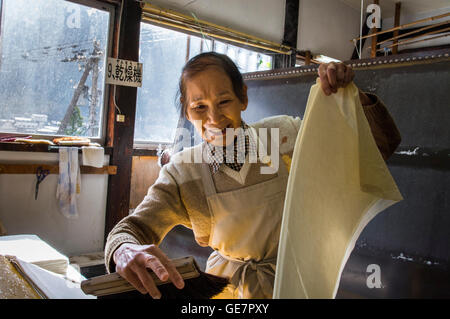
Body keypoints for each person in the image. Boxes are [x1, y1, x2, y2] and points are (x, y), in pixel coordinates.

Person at [105, 52, 401, 299]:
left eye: (224, 102)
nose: (214, 119)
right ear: (187, 111)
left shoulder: (286, 137)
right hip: (226, 290)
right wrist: (123, 250)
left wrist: (351, 98)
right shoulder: (184, 172)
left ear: (243, 98)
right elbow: (132, 228)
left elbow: (379, 147)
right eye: (199, 108)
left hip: (292, 281)